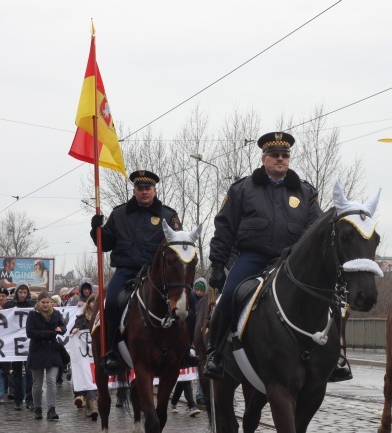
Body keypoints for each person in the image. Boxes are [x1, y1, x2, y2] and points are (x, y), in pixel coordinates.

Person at [204, 132, 321, 379]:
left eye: (285, 155)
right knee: (228, 298)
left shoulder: (305, 192)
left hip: (291, 262)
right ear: (263, 158)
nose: (280, 159)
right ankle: (214, 353)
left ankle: (333, 357)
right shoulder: (242, 189)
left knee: (327, 301)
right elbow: (224, 227)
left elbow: (314, 229)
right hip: (252, 258)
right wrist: (217, 264)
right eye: (275, 155)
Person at [90, 169, 194, 374]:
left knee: (188, 300)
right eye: (140, 188)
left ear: (155, 190)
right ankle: (112, 350)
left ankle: (187, 349)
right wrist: (96, 230)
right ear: (134, 190)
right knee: (110, 302)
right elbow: (105, 244)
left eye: (148, 188)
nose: (144, 192)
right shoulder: (119, 214)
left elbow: (176, 244)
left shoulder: (168, 215)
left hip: (157, 274)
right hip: (126, 270)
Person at [26, 291, 67, 421]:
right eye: (43, 302)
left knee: (51, 381)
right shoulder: (33, 314)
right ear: (38, 302)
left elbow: (63, 325)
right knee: (37, 383)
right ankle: (38, 409)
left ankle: (51, 409)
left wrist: (62, 329)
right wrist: (49, 333)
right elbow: (30, 332)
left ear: (51, 302)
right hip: (37, 351)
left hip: (52, 350)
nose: (45, 305)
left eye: (47, 302)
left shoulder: (56, 313)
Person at [4, 283, 36, 411]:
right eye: (20, 292)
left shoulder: (32, 305)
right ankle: (18, 400)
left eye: (24, 292)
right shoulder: (10, 305)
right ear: (16, 293)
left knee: (30, 373)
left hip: (29, 344)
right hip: (15, 344)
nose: (22, 295)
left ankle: (29, 399)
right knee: (16, 373)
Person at [70, 294, 98, 420]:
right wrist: (75, 330)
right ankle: (92, 405)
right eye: (92, 302)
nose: (94, 304)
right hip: (84, 355)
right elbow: (74, 330)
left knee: (93, 378)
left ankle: (89, 402)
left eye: (96, 302)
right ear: (89, 303)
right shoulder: (81, 319)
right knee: (86, 376)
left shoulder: (102, 317)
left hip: (96, 355)